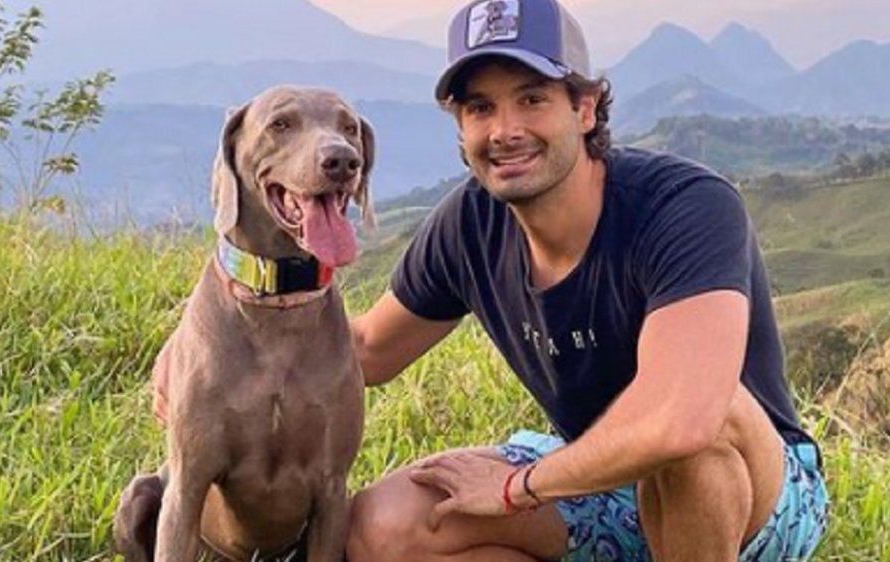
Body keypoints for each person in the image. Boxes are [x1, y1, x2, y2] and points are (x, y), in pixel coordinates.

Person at [344, 0, 829, 560]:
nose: (505, 130)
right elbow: (366, 351)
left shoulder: (685, 206)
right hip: (593, 477)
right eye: (481, 108)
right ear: (460, 128)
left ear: (585, 108)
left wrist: (516, 488)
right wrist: (256, 295)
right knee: (382, 526)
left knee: (699, 415)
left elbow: (685, 421)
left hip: (758, 498)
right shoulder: (469, 226)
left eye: (531, 98)